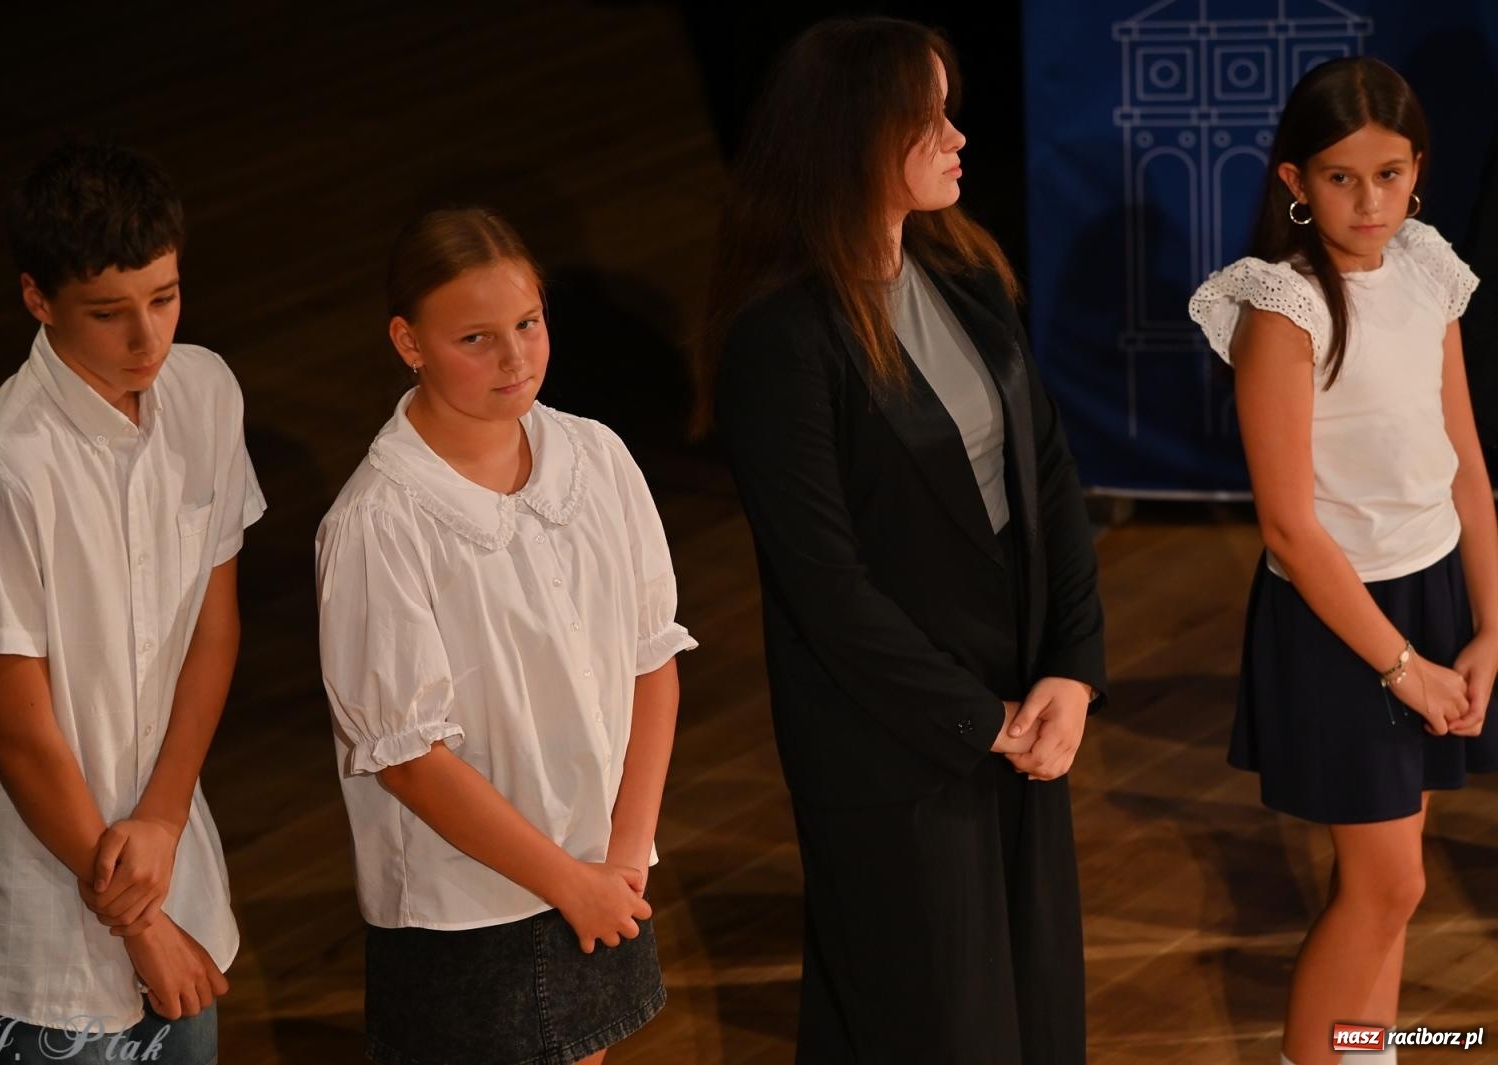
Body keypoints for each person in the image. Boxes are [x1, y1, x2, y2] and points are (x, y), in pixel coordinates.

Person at [693, 17, 1106, 1064]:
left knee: (1034, 1008)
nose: (958, 136)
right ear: (855, 139)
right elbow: (823, 585)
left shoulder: (966, 275)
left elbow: (1048, 476)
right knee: (930, 1025)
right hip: (896, 741)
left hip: (1018, 712)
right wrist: (975, 718)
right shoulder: (782, 338)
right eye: (928, 119)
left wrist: (1071, 669)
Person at [316, 206, 695, 1065]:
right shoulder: (380, 522)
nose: (516, 357)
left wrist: (623, 856)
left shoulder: (596, 458)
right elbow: (409, 756)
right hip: (471, 907)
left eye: (528, 324)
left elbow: (652, 659)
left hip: (602, 877)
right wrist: (571, 881)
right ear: (409, 343)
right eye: (476, 338)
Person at [0, 140, 264, 1064]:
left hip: (170, 859)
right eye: (110, 314)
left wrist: (159, 820)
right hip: (43, 917)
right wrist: (138, 924)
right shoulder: (3, 469)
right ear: (38, 299)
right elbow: (18, 731)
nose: (149, 338)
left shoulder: (206, 393)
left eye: (165, 297)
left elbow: (212, 628)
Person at [1188, 56, 1494, 1065]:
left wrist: (1490, 628)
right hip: (1339, 621)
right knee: (1388, 883)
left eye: (1391, 175)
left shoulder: (1426, 270)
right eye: (1339, 178)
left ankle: (1368, 1056)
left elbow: (1466, 473)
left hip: (1433, 593)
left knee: (1386, 883)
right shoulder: (1285, 310)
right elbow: (1288, 529)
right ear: (1292, 182)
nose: (1371, 202)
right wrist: (1402, 666)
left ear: (1418, 171)